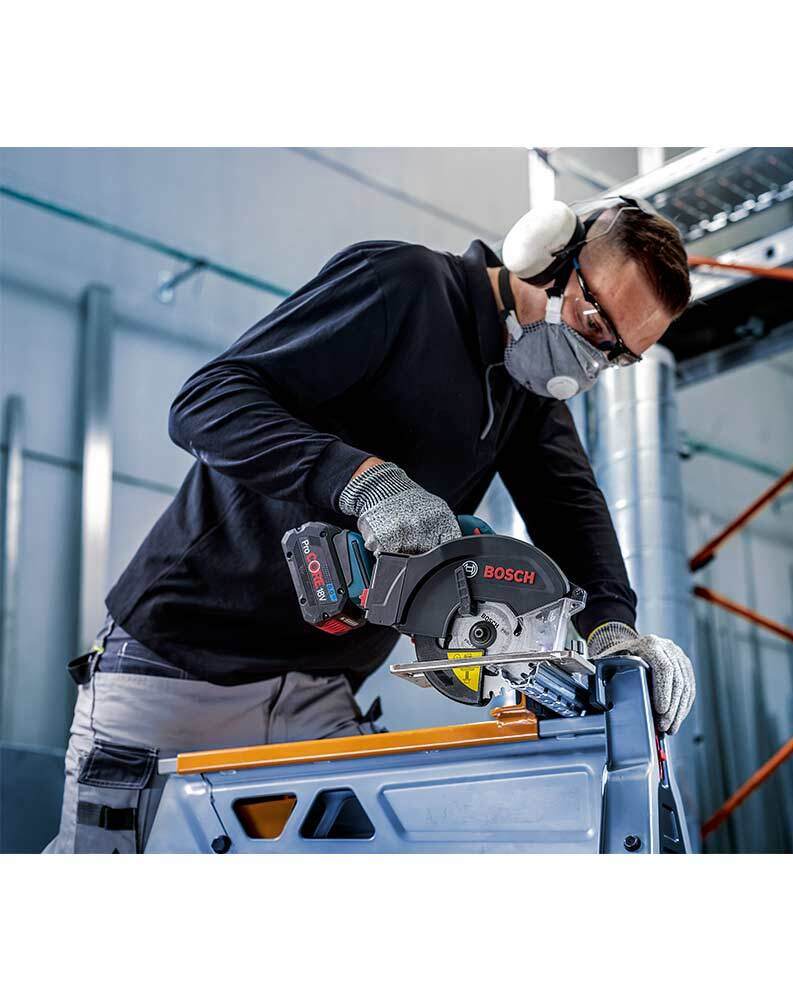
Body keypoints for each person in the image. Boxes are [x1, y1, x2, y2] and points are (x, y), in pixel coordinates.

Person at [46, 196, 696, 853]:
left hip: (318, 695)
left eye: (617, 354)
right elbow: (206, 403)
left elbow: (573, 511)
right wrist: (363, 482)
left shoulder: (524, 392)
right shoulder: (404, 286)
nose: (590, 361)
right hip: (180, 667)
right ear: (546, 254)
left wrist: (614, 631)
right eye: (593, 322)